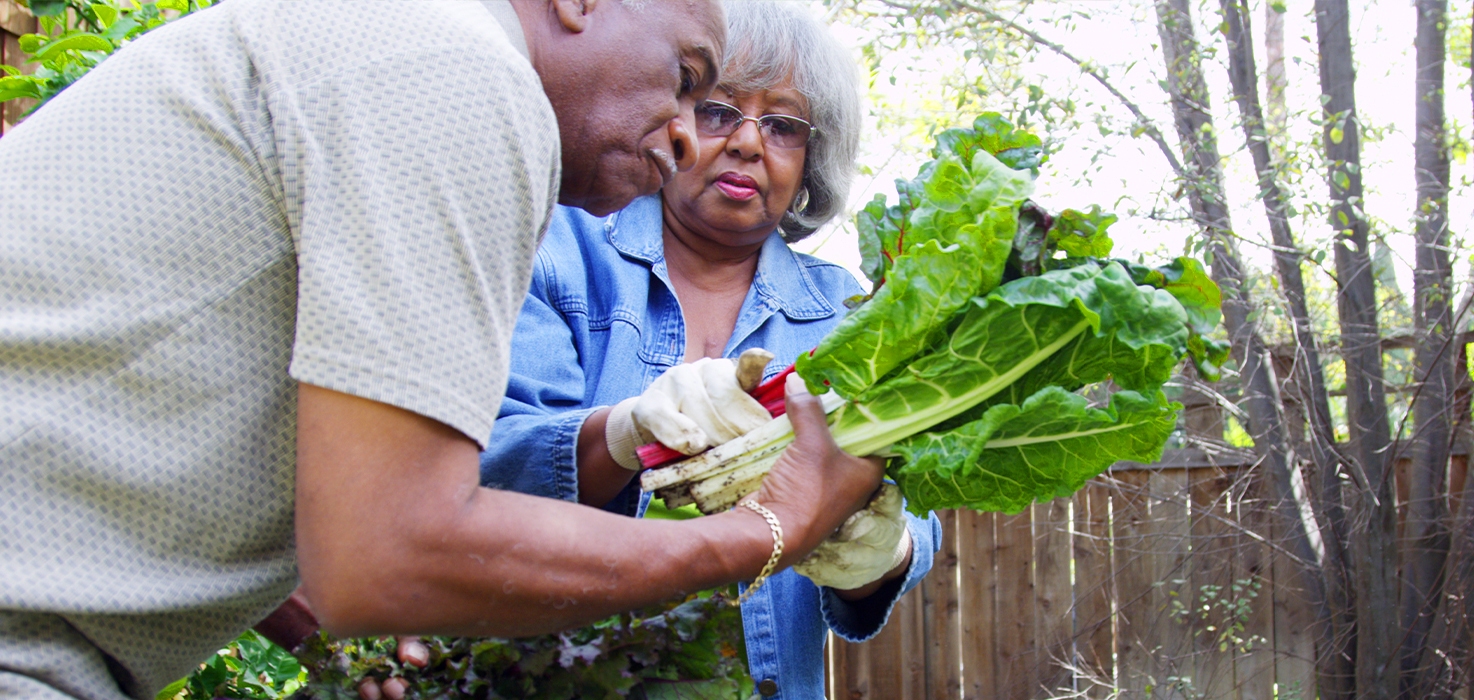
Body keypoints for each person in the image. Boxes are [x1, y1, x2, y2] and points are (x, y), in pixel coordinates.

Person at [0, 1, 888, 699]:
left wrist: (342, 627)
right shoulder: (462, 72)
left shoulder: (403, 46)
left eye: (779, 124)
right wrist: (767, 530)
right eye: (690, 78)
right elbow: (390, 551)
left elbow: (189, 429)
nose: (696, 132)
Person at [479, 3, 941, 697]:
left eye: (784, 125)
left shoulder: (851, 314)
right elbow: (488, 466)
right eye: (720, 111)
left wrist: (884, 548)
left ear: (811, 158)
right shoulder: (557, 252)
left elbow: (919, 502)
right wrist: (623, 434)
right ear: (666, 115)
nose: (750, 144)